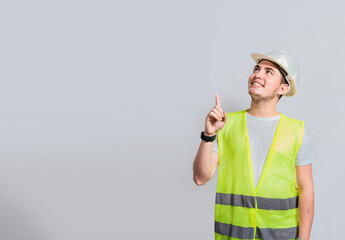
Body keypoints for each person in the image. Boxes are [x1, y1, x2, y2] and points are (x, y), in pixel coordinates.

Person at [193, 50, 314, 240]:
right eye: (257, 69)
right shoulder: (225, 124)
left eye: (268, 72)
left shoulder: (296, 131)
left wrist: (304, 238)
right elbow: (200, 178)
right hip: (233, 235)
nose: (257, 74)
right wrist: (209, 134)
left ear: (282, 88)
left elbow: (306, 189)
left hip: (281, 235)